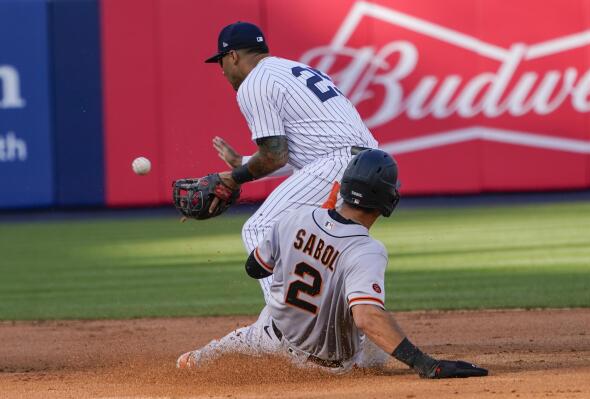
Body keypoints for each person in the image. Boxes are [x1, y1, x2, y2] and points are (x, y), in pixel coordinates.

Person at [177, 149, 488, 379]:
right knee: (373, 334)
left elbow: (254, 268)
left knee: (195, 362)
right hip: (333, 368)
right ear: (388, 200)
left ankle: (196, 361)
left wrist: (310, 233)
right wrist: (424, 364)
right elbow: (366, 317)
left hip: (268, 339)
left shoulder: (295, 217)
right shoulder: (367, 250)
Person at [201, 21, 379, 303]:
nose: (221, 69)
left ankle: (285, 324)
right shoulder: (295, 70)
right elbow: (302, 152)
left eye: (220, 61)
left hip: (337, 164)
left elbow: (274, 155)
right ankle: (346, 332)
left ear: (232, 55)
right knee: (325, 251)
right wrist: (243, 162)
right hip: (373, 166)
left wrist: (234, 178)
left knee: (260, 229)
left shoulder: (255, 83)